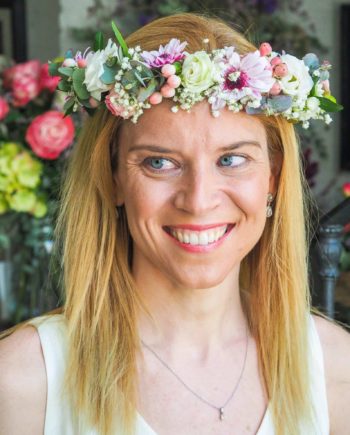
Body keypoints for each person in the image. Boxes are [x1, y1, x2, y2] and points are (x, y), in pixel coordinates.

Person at [0, 12, 349, 435]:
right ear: (113, 180)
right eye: (159, 162)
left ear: (272, 178)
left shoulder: (336, 370)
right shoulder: (21, 383)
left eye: (231, 159)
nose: (199, 201)